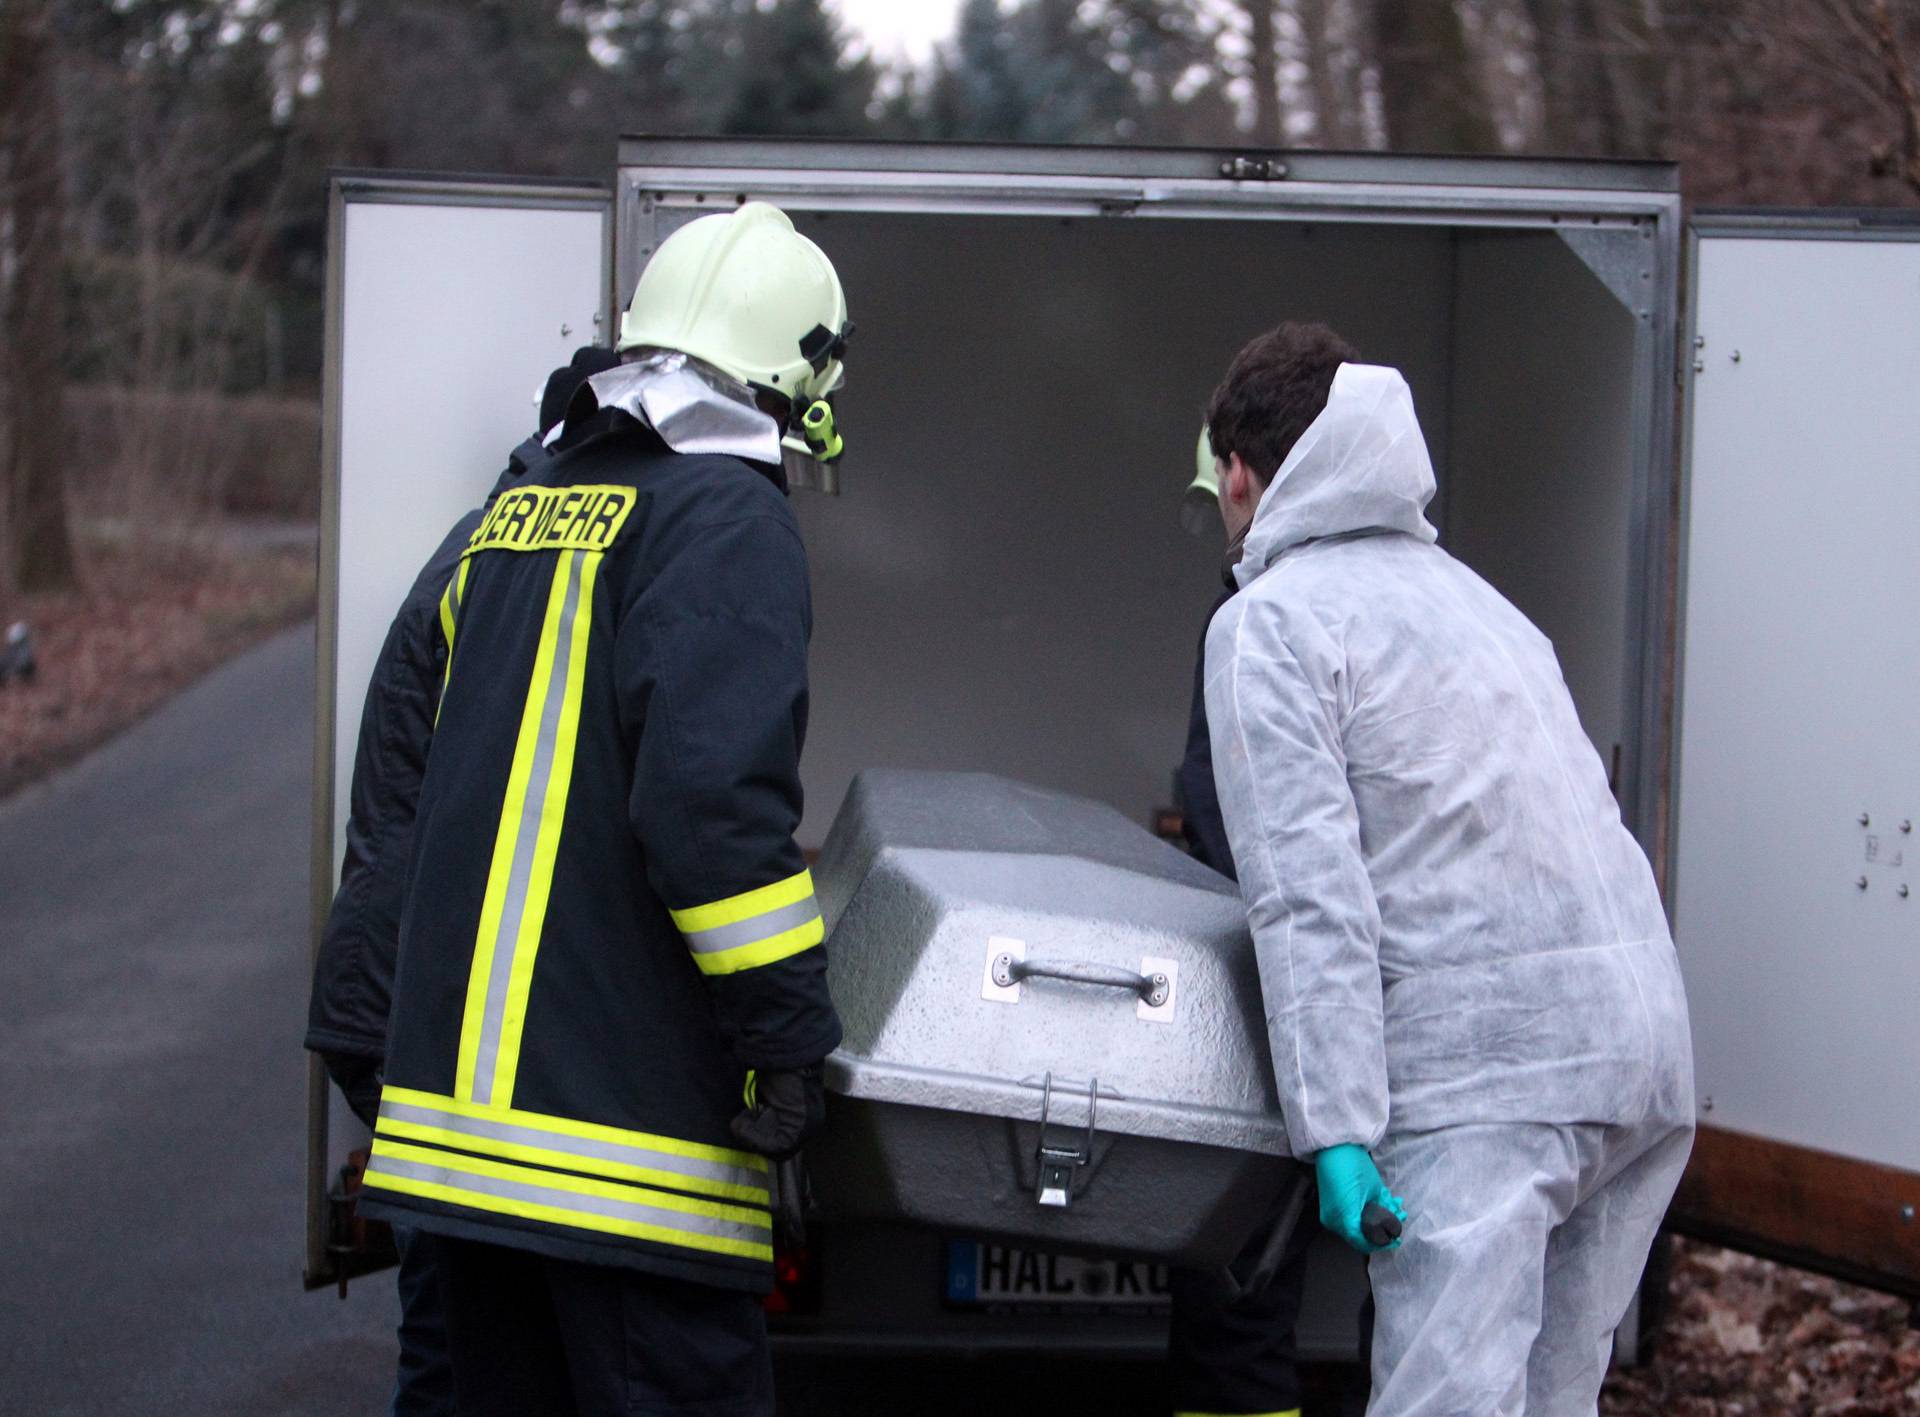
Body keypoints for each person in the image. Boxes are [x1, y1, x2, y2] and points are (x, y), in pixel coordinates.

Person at [355, 200, 850, 1416]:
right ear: (804, 372)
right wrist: (790, 1038)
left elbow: (401, 745)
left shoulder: (522, 500)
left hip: (457, 1162)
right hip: (621, 1173)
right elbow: (712, 813)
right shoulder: (727, 513)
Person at [1201, 323, 1694, 1416]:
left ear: (1241, 474)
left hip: (1493, 1080)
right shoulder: (1485, 607)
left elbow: (1306, 894)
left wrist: (1332, 1126)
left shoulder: (1272, 625)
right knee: (1549, 1399)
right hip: (1641, 1052)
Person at [306, 346, 620, 1417]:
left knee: (465, 1341)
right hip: (413, 1001)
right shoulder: (516, 567)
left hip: (395, 987)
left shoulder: (496, 541)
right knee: (460, 1351)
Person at [1167, 425, 1318, 1417]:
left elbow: (1227, 813)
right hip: (1290, 998)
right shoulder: (1320, 604)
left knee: (1237, 1301)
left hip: (1277, 1005)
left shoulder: (1264, 617)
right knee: (1235, 1302)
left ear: (1245, 480)